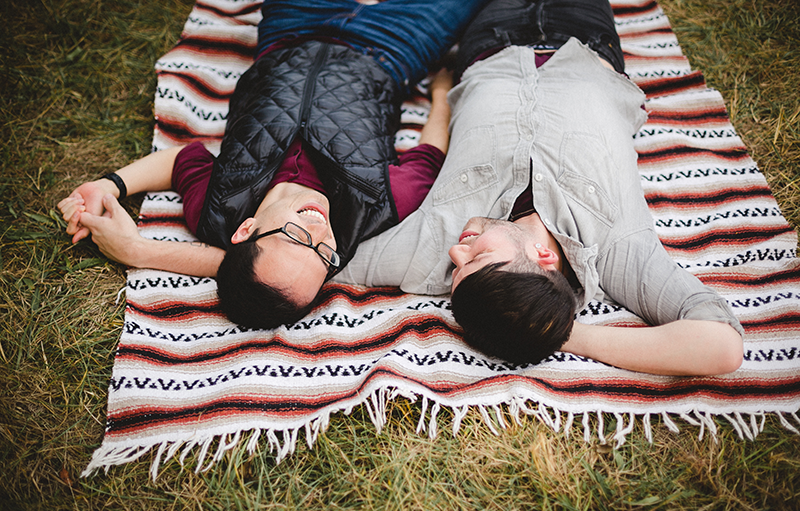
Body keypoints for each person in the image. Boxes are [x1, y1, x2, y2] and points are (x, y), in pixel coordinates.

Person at [335, 0, 745, 376]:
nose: (456, 252)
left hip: (489, 44)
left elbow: (322, 259)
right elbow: (721, 345)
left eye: (456, 268)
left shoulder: (428, 248)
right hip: (583, 38)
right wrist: (555, 330)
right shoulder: (620, 253)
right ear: (543, 258)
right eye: (476, 258)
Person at [58, 0, 489, 330]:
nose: (320, 230)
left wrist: (112, 185)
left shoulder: (217, 210)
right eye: (324, 252)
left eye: (298, 236)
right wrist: (440, 92)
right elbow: (429, 153)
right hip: (390, 50)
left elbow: (180, 161)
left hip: (287, 35)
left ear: (245, 231)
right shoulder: (377, 206)